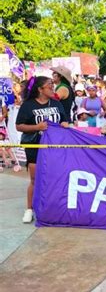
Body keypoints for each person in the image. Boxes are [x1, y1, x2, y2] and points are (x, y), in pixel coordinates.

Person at [16, 76, 68, 223]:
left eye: (53, 84)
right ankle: (29, 209)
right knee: (34, 179)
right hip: (35, 146)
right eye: (49, 85)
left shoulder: (57, 104)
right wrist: (36, 127)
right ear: (40, 89)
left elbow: (64, 119)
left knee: (54, 177)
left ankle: (52, 208)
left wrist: (64, 123)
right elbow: (19, 126)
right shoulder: (28, 105)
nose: (53, 88)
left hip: (54, 147)